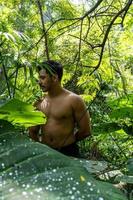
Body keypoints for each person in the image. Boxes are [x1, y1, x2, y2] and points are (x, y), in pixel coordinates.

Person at [29, 60, 91, 157]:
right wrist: (39, 150)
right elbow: (33, 131)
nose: (39, 82)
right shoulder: (39, 103)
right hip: (45, 153)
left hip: (68, 152)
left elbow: (85, 131)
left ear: (54, 77)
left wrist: (68, 143)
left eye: (43, 78)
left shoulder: (74, 100)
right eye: (39, 78)